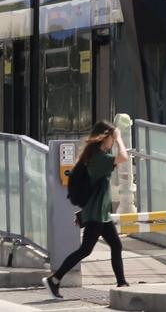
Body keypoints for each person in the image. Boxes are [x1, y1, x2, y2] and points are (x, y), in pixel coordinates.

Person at [43, 120, 129, 297]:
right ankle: (54, 279)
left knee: (115, 245)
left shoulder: (97, 156)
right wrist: (120, 138)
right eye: (111, 138)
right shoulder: (98, 158)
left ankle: (122, 283)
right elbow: (123, 158)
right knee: (85, 250)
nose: (113, 141)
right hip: (97, 214)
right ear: (104, 138)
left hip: (101, 213)